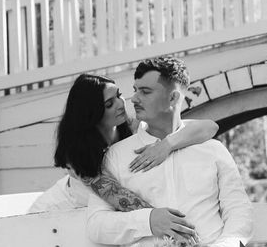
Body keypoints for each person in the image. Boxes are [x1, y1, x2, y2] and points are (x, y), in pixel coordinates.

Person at [86, 56, 253, 247]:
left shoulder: (212, 150)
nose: (134, 99)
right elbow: (96, 224)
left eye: (145, 91)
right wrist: (148, 221)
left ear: (173, 98)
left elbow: (238, 210)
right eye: (135, 90)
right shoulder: (116, 155)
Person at [28, 72, 218, 213]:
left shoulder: (133, 127)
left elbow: (209, 127)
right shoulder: (78, 156)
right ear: (91, 114)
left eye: (118, 95)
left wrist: (166, 145)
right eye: (109, 104)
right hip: (56, 213)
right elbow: (123, 200)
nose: (121, 104)